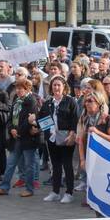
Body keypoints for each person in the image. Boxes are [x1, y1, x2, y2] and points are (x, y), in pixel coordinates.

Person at [39, 75, 80, 204]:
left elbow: (75, 119)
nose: (56, 87)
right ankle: (55, 192)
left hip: (66, 137)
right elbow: (42, 118)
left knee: (67, 165)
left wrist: (72, 134)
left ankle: (69, 192)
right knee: (55, 165)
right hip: (51, 138)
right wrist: (46, 130)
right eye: (54, 85)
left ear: (64, 87)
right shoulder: (48, 102)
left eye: (59, 85)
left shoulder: (70, 101)